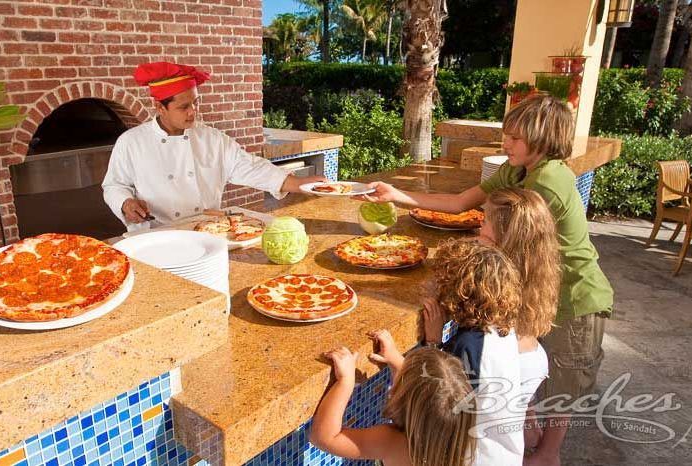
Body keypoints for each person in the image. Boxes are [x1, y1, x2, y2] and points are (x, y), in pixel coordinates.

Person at [362, 95, 613, 466]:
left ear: (543, 138)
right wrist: (400, 196)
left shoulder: (548, 183)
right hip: (535, 281)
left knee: (566, 382)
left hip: (575, 296)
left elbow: (508, 243)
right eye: (506, 134)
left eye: (515, 137)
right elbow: (464, 200)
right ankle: (525, 433)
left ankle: (548, 454)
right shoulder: (518, 170)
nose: (505, 144)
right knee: (522, 364)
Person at [102, 61, 326, 231]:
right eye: (184, 107)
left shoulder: (213, 139)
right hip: (157, 234)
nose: (193, 112)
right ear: (160, 107)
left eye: (195, 103)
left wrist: (299, 183)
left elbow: (251, 167)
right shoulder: (131, 142)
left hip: (207, 230)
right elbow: (114, 185)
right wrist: (125, 203)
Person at [416, 238, 526, 466]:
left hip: (474, 457)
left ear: (460, 292)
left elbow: (441, 400)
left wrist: (433, 342)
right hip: (505, 454)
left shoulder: (469, 345)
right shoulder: (502, 328)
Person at [478, 187, 562, 450]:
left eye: (484, 221)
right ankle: (530, 440)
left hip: (504, 376)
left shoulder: (492, 287)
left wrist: (433, 341)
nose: (478, 226)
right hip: (533, 362)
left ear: (500, 240)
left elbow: (449, 401)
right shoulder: (533, 271)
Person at [310, 344, 477, 466]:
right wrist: (397, 360)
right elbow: (427, 396)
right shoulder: (455, 448)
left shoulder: (393, 442)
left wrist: (345, 382)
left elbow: (324, 438)